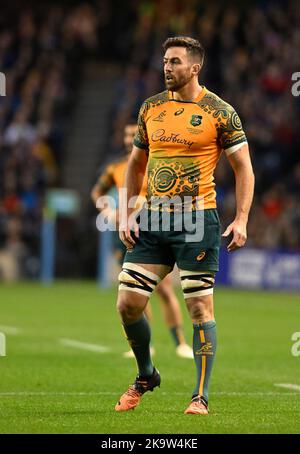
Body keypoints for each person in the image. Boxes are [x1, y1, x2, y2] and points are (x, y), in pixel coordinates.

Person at [115, 36, 254, 414]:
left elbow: (243, 168)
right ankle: (146, 374)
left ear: (195, 67)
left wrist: (241, 218)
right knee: (128, 302)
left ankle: (200, 396)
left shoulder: (220, 111)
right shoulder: (151, 108)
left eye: (175, 61)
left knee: (199, 309)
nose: (167, 67)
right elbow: (135, 165)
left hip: (196, 220)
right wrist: (128, 212)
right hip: (154, 217)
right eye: (165, 60)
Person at [91, 122, 193, 359]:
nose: (129, 140)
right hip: (126, 232)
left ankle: (180, 342)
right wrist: (107, 211)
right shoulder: (115, 168)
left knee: (165, 290)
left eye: (133, 135)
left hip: (152, 229)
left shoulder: (155, 164)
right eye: (126, 136)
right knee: (134, 290)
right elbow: (97, 192)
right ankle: (144, 344)